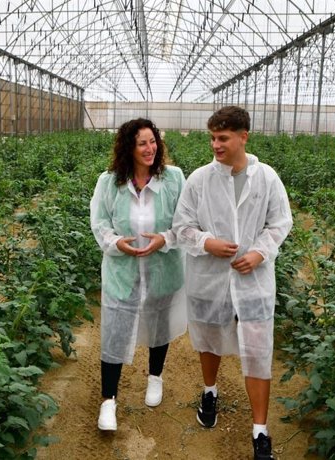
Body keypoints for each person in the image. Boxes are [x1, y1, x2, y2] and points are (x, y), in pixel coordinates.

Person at [172, 106, 292, 459]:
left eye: (222, 138)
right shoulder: (199, 179)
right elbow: (182, 227)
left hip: (253, 279)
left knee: (257, 348)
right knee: (208, 335)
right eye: (212, 138)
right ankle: (210, 391)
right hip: (209, 277)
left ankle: (260, 430)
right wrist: (206, 242)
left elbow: (280, 223)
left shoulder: (267, 178)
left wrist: (259, 253)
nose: (215, 145)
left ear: (243, 137)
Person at [90, 118, 187, 431]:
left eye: (153, 141)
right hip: (122, 270)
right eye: (142, 143)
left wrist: (165, 239)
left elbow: (186, 222)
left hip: (163, 267)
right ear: (128, 148)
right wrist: (117, 243)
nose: (150, 148)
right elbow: (100, 223)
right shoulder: (110, 182)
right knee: (115, 330)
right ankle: (109, 401)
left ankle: (155, 378)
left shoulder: (173, 178)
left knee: (159, 321)